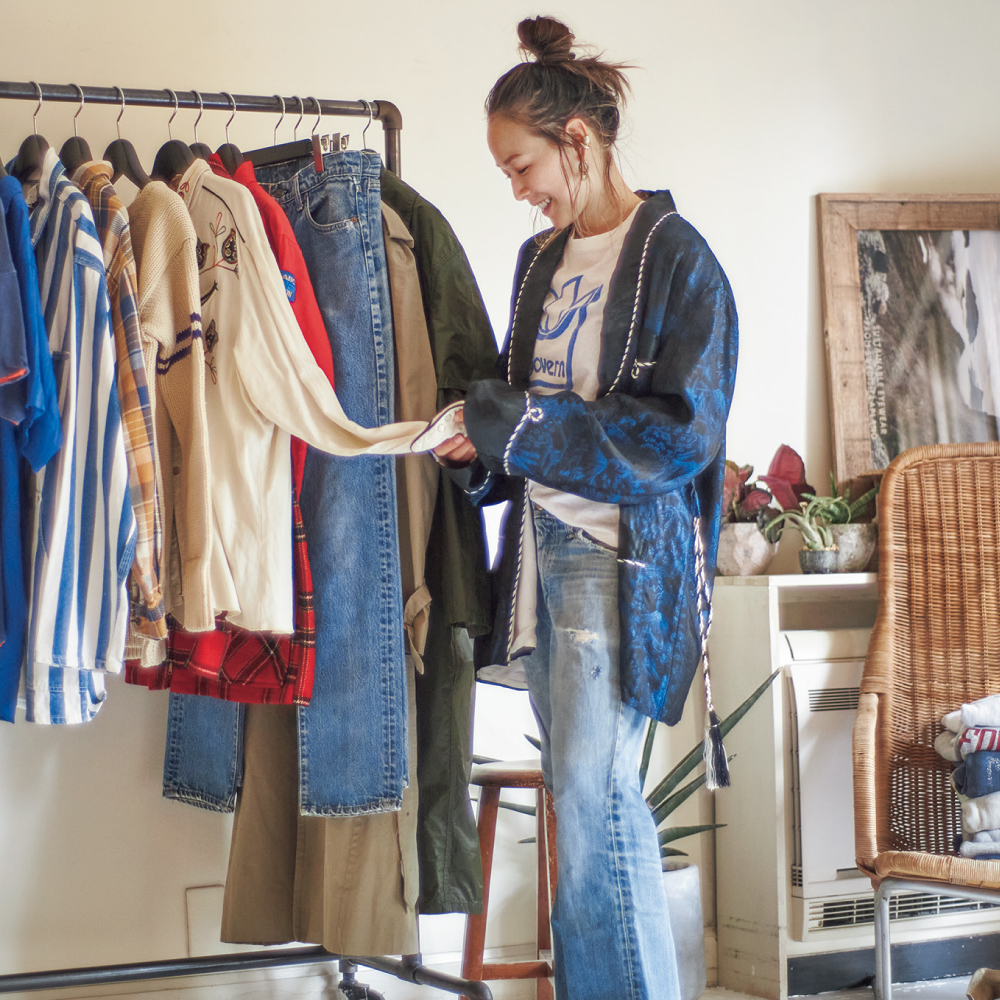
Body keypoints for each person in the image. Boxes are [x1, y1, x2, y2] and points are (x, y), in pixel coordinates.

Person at [434, 15, 738, 1000]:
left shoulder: (678, 260)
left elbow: (678, 437)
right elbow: (523, 420)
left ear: (576, 140)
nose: (517, 190)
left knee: (597, 802)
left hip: (618, 561)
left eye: (521, 166)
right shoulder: (540, 264)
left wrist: (510, 424)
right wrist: (476, 439)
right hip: (543, 551)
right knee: (583, 800)